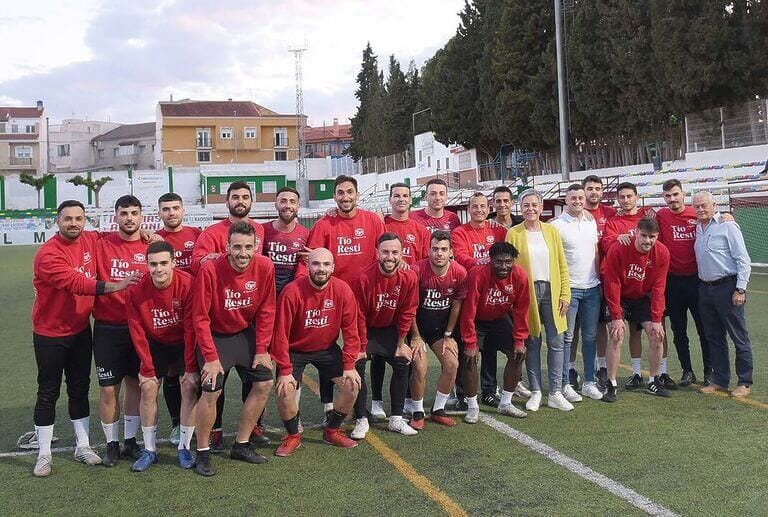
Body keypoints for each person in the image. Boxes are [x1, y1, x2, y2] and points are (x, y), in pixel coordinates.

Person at [30, 200, 139, 477]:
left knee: (79, 389)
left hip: (80, 330)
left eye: (79, 218)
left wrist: (148, 234)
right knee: (48, 392)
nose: (74, 223)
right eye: (68, 219)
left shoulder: (90, 239)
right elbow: (77, 283)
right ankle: (44, 454)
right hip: (50, 334)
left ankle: (83, 446)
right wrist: (117, 285)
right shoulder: (48, 254)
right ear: (57, 221)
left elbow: (114, 235)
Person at [298, 174, 386, 437]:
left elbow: (386, 251)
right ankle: (328, 407)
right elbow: (311, 262)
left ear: (357, 194)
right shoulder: (324, 224)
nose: (345, 197)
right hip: (330, 301)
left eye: (349, 192)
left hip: (363, 301)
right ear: (334, 196)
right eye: (340, 193)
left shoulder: (372, 221)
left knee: (357, 356)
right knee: (324, 350)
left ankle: (361, 413)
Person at [191, 222, 277, 476]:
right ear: (227, 246)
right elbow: (200, 318)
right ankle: (203, 451)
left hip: (243, 334)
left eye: (248, 247)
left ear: (256, 246)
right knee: (211, 388)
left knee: (264, 383)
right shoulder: (210, 269)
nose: (243, 253)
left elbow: (267, 310)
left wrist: (261, 349)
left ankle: (241, 444)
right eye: (237, 247)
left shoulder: (265, 266)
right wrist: (210, 357)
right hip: (215, 336)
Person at [270, 248, 362, 455]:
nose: (321, 269)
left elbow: (351, 331)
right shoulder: (292, 291)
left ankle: (332, 431)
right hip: (295, 350)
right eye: (316, 264)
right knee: (285, 390)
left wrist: (349, 366)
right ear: (307, 265)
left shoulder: (342, 289)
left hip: (326, 348)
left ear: (333, 267)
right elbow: (280, 334)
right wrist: (284, 369)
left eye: (326, 264)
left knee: (352, 385)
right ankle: (293, 436)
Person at [125, 241, 197, 471]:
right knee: (148, 387)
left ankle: (184, 447)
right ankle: (149, 450)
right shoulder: (135, 291)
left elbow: (191, 329)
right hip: (154, 343)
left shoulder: (188, 284)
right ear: (147, 265)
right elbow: (137, 331)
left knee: (189, 386)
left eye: (164, 263)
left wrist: (190, 367)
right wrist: (146, 368)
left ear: (173, 263)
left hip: (182, 342)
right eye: (153, 264)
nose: (159, 269)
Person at [93, 195, 151, 467]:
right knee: (108, 389)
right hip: (107, 327)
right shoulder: (101, 244)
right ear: (115, 216)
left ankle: (130, 441)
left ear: (142, 216)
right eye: (124, 213)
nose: (129, 218)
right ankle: (111, 445)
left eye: (134, 213)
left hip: (139, 328)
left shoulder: (151, 246)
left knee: (135, 384)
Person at [369, 183, 431, 424]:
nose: (401, 199)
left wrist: (408, 269)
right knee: (378, 355)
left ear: (411, 199)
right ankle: (376, 401)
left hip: (408, 292)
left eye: (405, 196)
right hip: (383, 293)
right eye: (396, 196)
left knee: (404, 349)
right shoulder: (381, 224)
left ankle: (406, 399)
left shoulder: (419, 229)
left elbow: (425, 261)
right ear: (390, 199)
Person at [506, 189, 573, 412]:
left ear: (541, 207)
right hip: (527, 293)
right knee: (532, 341)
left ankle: (555, 392)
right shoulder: (513, 233)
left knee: (557, 341)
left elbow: (562, 265)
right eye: (526, 205)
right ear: (520, 207)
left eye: (534, 205)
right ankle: (535, 391)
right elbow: (509, 269)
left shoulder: (551, 231)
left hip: (552, 291)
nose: (530, 209)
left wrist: (565, 294)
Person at [352, 233, 420, 437]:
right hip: (367, 329)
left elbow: (407, 312)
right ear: (377, 253)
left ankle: (396, 419)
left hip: (390, 328)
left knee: (402, 360)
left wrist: (401, 343)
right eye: (385, 252)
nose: (390, 257)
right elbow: (359, 315)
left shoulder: (409, 277)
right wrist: (361, 346)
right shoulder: (363, 277)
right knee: (356, 363)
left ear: (401, 254)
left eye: (395, 252)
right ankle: (361, 419)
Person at [601, 183, 666, 390]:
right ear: (636, 233)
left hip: (642, 296)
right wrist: (616, 316)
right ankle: (611, 382)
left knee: (657, 334)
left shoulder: (662, 252)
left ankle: (653, 380)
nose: (647, 240)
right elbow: (612, 282)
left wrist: (657, 320)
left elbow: (659, 287)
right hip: (620, 295)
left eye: (652, 237)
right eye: (643, 236)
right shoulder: (618, 247)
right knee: (617, 334)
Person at [460, 242, 530, 422]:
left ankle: (506, 403)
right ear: (490, 260)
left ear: (514, 261)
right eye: (499, 262)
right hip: (477, 320)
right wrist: (470, 342)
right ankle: (472, 406)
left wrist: (519, 340)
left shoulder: (520, 276)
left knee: (517, 354)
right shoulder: (478, 274)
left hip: (499, 318)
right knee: (469, 358)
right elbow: (469, 311)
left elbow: (522, 310)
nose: (504, 266)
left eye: (508, 262)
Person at [693, 191, 754, 398]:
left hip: (727, 288)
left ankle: (744, 382)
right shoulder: (697, 228)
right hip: (705, 289)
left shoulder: (728, 225)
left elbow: (743, 259)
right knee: (714, 337)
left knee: (739, 336)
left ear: (714, 205)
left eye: (704, 205)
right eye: (697, 206)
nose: (700, 209)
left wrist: (740, 289)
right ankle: (719, 379)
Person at [656, 180, 716, 386]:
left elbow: (715, 217)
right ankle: (687, 371)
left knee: (704, 329)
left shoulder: (696, 213)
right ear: (664, 198)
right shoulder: (661, 215)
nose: (672, 199)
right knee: (678, 330)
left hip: (697, 281)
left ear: (683, 194)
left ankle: (709, 371)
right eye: (668, 195)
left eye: (675, 194)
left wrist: (727, 216)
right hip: (673, 283)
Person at [451, 192, 508, 408]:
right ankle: (463, 393)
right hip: (469, 296)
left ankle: (489, 390)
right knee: (467, 347)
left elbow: (507, 255)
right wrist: (486, 268)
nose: (479, 210)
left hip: (493, 297)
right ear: (468, 209)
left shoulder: (498, 231)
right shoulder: (460, 232)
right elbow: (461, 256)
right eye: (475, 206)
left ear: (489, 208)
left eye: (483, 206)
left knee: (490, 348)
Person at [155, 192, 202, 445]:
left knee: (195, 371)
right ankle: (176, 423)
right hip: (167, 314)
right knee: (172, 372)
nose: (171, 213)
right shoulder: (153, 239)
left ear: (183, 210)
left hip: (195, 311)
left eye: (175, 208)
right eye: (166, 209)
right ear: (159, 213)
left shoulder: (197, 235)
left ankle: (197, 422)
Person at [550, 184, 603, 401]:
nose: (578, 201)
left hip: (592, 288)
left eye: (581, 198)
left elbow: (595, 252)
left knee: (590, 337)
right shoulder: (556, 226)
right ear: (566, 200)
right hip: (569, 289)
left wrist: (599, 279)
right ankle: (565, 383)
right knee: (567, 338)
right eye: (573, 198)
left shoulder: (590, 221)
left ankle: (589, 382)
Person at [412, 231, 467, 427]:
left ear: (451, 252)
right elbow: (409, 307)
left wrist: (448, 335)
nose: (439, 253)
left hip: (439, 329)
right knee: (420, 366)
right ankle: (417, 412)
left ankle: (438, 409)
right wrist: (415, 336)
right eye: (435, 249)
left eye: (444, 249)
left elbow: (457, 305)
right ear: (429, 250)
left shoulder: (459, 272)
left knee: (452, 364)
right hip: (416, 327)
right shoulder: (417, 270)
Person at [581, 175, 618, 390]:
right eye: (590, 188)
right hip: (583, 278)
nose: (594, 192)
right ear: (584, 191)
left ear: (602, 191)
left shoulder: (610, 213)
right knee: (580, 328)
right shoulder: (576, 213)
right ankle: (572, 369)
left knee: (602, 324)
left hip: (607, 277)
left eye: (597, 188)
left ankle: (602, 367)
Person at [262, 187, 310, 294]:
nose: (288, 206)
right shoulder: (262, 230)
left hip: (294, 291)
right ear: (276, 205)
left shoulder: (306, 234)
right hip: (267, 290)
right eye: (283, 201)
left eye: (292, 202)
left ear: (298, 206)